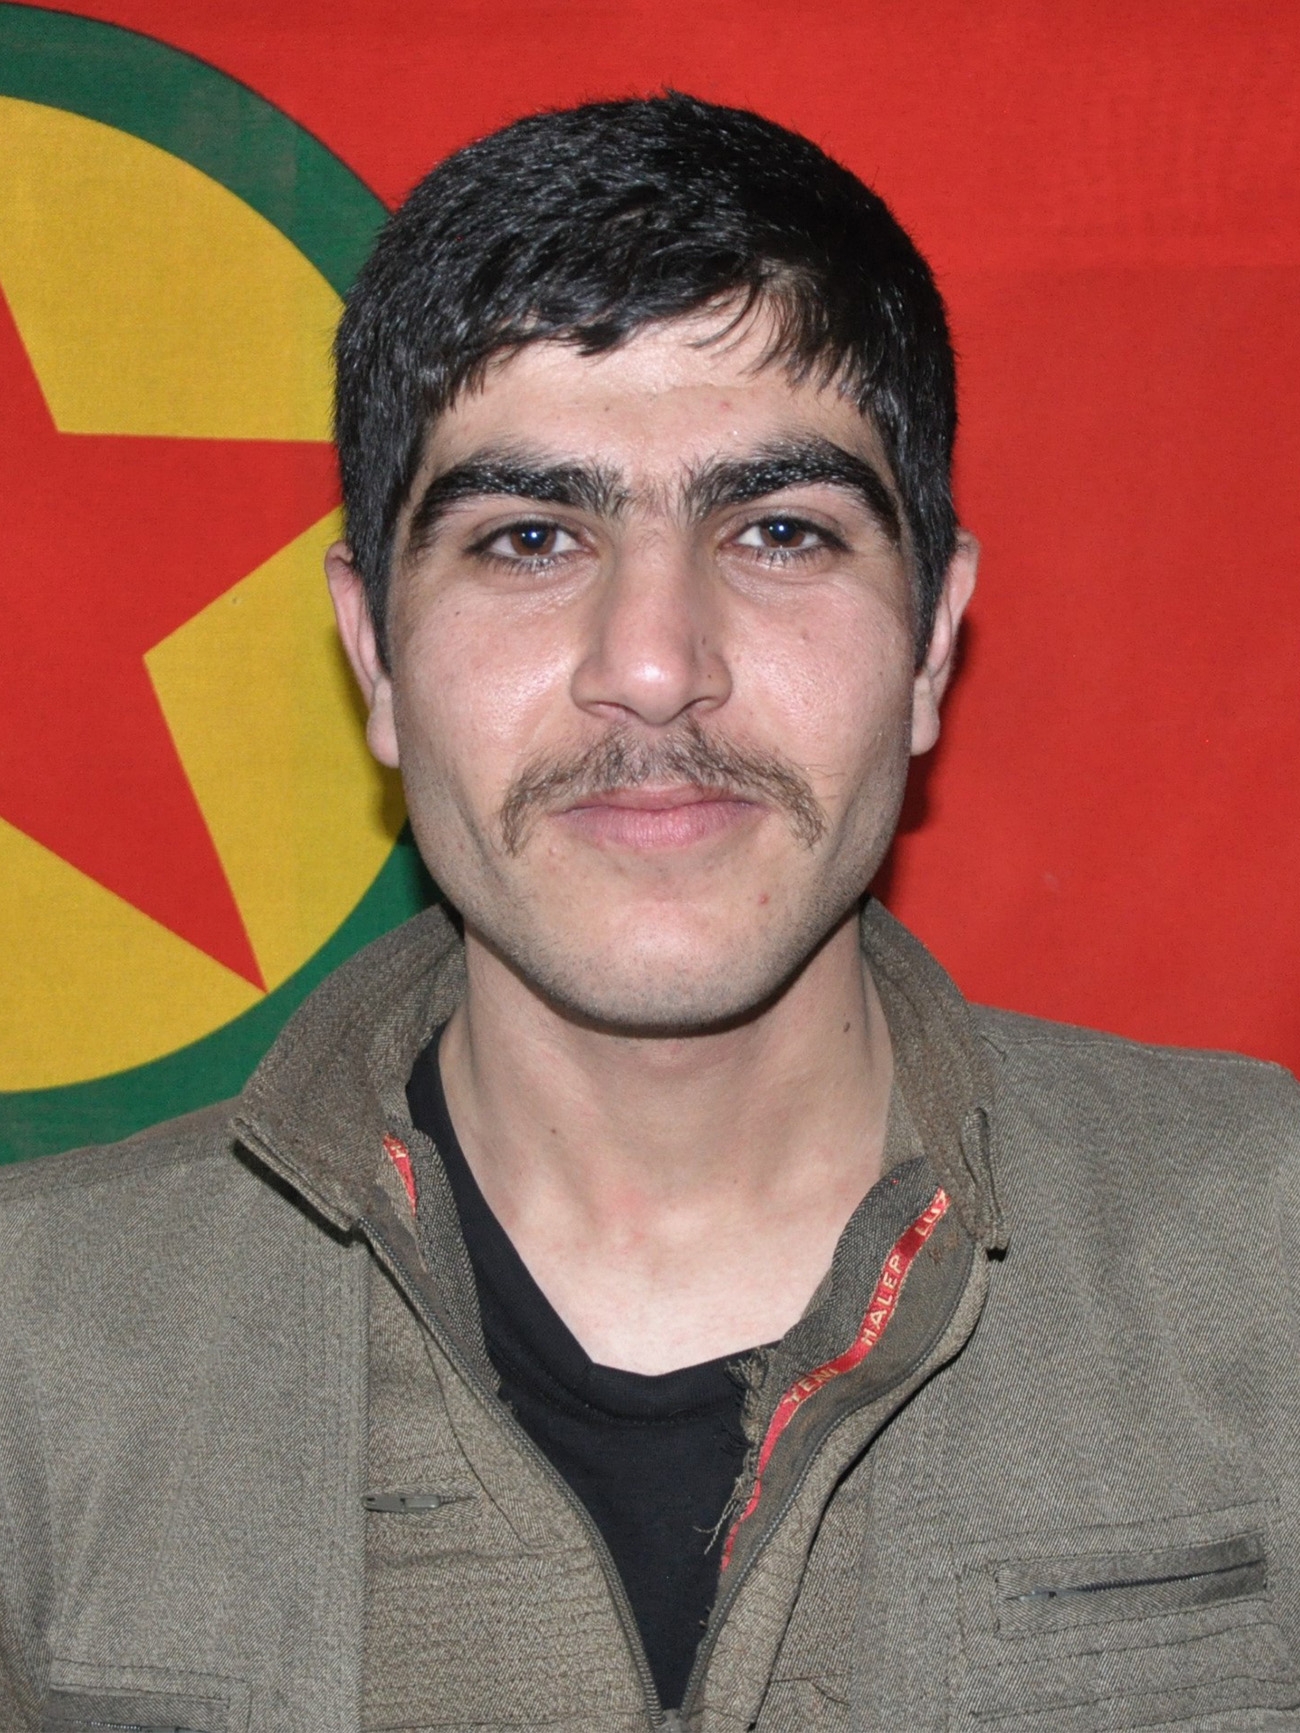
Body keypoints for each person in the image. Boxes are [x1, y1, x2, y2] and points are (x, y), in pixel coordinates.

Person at [1, 92, 1297, 1733]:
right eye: (531, 537)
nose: (656, 661)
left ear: (931, 640)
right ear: (374, 651)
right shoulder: (35, 1355)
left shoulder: (1270, 1264)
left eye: (780, 530)